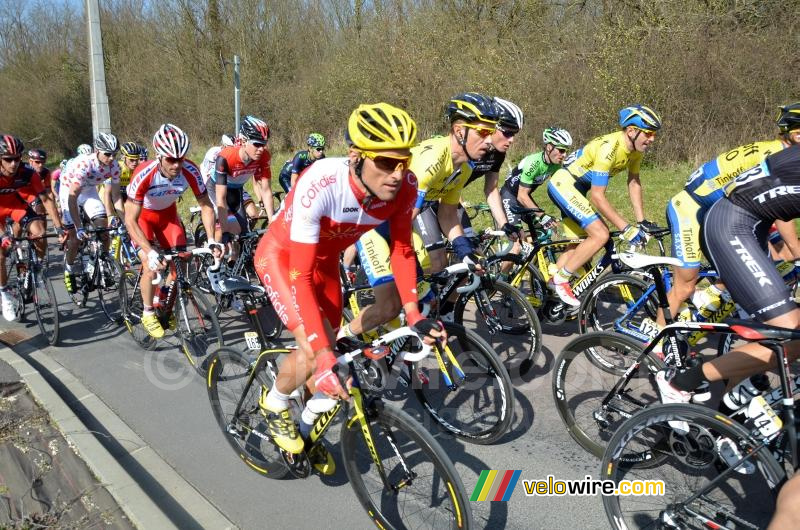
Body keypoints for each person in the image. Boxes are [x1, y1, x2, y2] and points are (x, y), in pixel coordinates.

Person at [253, 103, 442, 456]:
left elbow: (402, 251)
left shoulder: (403, 188)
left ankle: (306, 433)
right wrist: (321, 351)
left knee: (332, 356)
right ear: (356, 156)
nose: (398, 174)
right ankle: (275, 403)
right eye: (386, 162)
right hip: (284, 258)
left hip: (324, 264)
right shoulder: (322, 183)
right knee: (315, 349)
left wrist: (414, 315)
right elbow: (301, 275)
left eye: (404, 162)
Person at [656, 145, 800, 411]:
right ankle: (679, 383)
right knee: (789, 332)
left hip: (753, 225)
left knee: (774, 331)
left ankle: (731, 408)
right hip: (730, 223)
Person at [344, 92, 499, 337]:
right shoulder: (431, 160)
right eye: (483, 132)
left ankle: (401, 334)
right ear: (460, 130)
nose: (490, 141)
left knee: (426, 295)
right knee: (392, 307)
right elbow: (402, 222)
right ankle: (345, 338)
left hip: (400, 222)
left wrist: (465, 251)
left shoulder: (463, 168)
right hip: (374, 224)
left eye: (492, 133)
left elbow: (448, 214)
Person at [663, 103, 800, 324]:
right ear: (796, 135)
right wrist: (795, 249)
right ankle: (656, 343)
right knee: (685, 285)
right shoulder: (779, 154)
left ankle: (717, 299)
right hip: (691, 208)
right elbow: (781, 211)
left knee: (760, 261)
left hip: (726, 211)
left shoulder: (779, 150)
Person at [545, 105, 662, 307]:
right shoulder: (609, 148)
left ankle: (549, 293)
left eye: (654, 134)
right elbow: (598, 197)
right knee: (600, 234)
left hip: (578, 189)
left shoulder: (635, 150)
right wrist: (625, 228)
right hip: (564, 184)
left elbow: (634, 182)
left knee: (578, 244)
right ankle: (561, 279)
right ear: (632, 131)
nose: (652, 139)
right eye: (649, 133)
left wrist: (641, 221)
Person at [124, 124, 217, 339]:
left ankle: (165, 302)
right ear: (159, 156)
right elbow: (130, 219)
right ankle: (147, 312)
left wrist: (212, 239)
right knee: (151, 265)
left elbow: (205, 205)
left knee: (181, 261)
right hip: (142, 219)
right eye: (171, 160)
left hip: (168, 216)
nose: (177, 164)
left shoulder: (190, 170)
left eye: (181, 159)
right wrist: (150, 250)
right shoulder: (144, 173)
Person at [0, 135, 65, 321]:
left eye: (17, 159)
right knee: (1, 255)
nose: (13, 164)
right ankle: (4, 294)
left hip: (15, 207)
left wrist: (60, 228)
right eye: (8, 159)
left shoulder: (28, 173)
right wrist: (4, 234)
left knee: (40, 232)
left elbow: (46, 199)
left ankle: (35, 269)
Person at [497, 127, 573, 270]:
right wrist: (542, 216)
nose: (564, 155)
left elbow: (561, 187)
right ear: (549, 147)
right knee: (517, 245)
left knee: (543, 233)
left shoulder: (555, 165)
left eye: (566, 151)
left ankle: (529, 266)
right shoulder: (534, 162)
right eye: (561, 150)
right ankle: (502, 280)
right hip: (510, 196)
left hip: (524, 197)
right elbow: (521, 195)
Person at [60, 133, 123, 294]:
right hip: (69, 190)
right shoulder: (85, 164)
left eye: (114, 154)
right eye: (107, 154)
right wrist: (79, 227)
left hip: (88, 191)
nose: (111, 158)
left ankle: (102, 261)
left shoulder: (115, 166)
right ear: (97, 150)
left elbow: (116, 196)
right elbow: (72, 197)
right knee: (75, 238)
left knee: (104, 231)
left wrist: (122, 219)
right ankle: (69, 269)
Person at [204, 117, 274, 242]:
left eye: (264, 144)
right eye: (257, 144)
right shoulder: (226, 157)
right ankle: (215, 252)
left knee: (244, 234)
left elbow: (266, 191)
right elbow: (221, 198)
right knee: (230, 228)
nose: (261, 149)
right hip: (215, 188)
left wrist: (272, 221)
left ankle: (232, 261)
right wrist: (225, 231)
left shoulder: (263, 156)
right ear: (243, 141)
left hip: (236, 190)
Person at [103, 142, 141, 211]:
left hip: (125, 195)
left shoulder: (139, 169)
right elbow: (107, 193)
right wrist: (110, 214)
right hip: (109, 196)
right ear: (124, 158)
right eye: (131, 160)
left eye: (137, 159)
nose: (135, 163)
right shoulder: (117, 168)